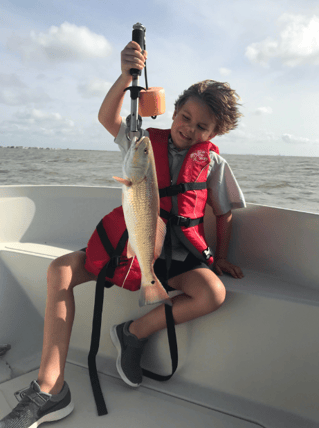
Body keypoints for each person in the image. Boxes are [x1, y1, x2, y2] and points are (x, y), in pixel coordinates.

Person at [0, 41, 246, 428]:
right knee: (60, 270)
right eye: (184, 117)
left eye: (202, 127)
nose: (189, 129)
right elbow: (106, 116)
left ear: (217, 132)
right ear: (175, 110)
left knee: (213, 293)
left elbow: (224, 213)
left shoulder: (213, 164)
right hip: (128, 246)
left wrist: (224, 257)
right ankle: (49, 387)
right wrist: (124, 76)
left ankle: (134, 332)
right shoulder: (141, 144)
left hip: (174, 259)